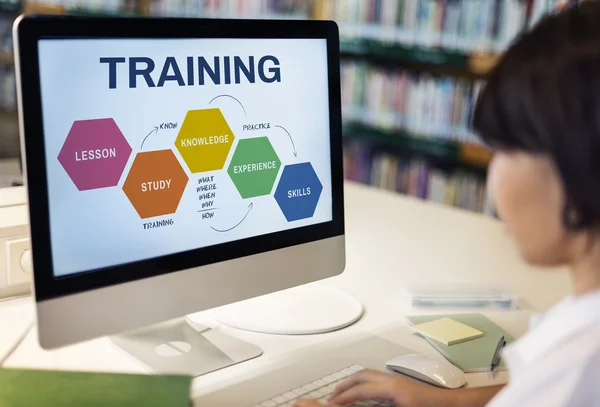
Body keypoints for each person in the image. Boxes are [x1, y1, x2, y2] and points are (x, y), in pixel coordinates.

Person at [295, 2, 600, 406]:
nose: (494, 179)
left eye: (504, 149)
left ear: (575, 159)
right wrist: (453, 402)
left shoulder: (577, 365)